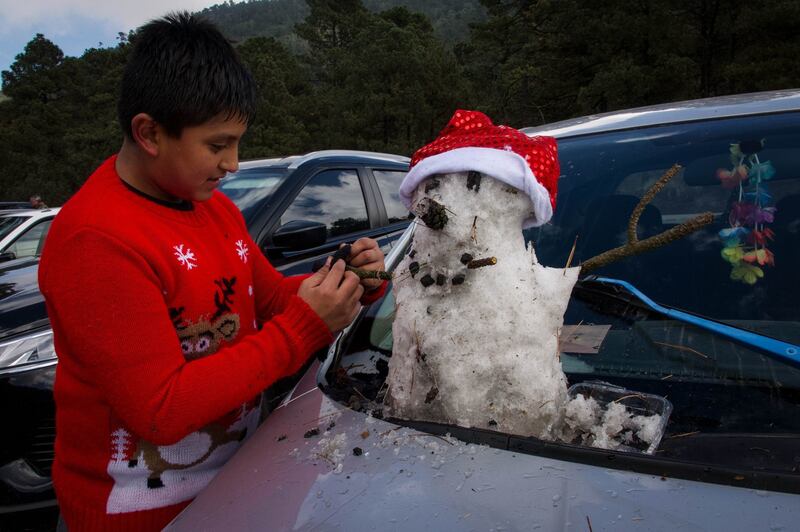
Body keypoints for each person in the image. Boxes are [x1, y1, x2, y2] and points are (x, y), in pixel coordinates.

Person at [38, 12, 386, 531]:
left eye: (237, 143)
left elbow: (268, 299)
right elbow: (161, 409)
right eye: (217, 145)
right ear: (149, 132)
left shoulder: (212, 208)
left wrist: (349, 285)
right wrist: (307, 326)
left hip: (235, 484)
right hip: (141, 514)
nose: (233, 164)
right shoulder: (96, 239)